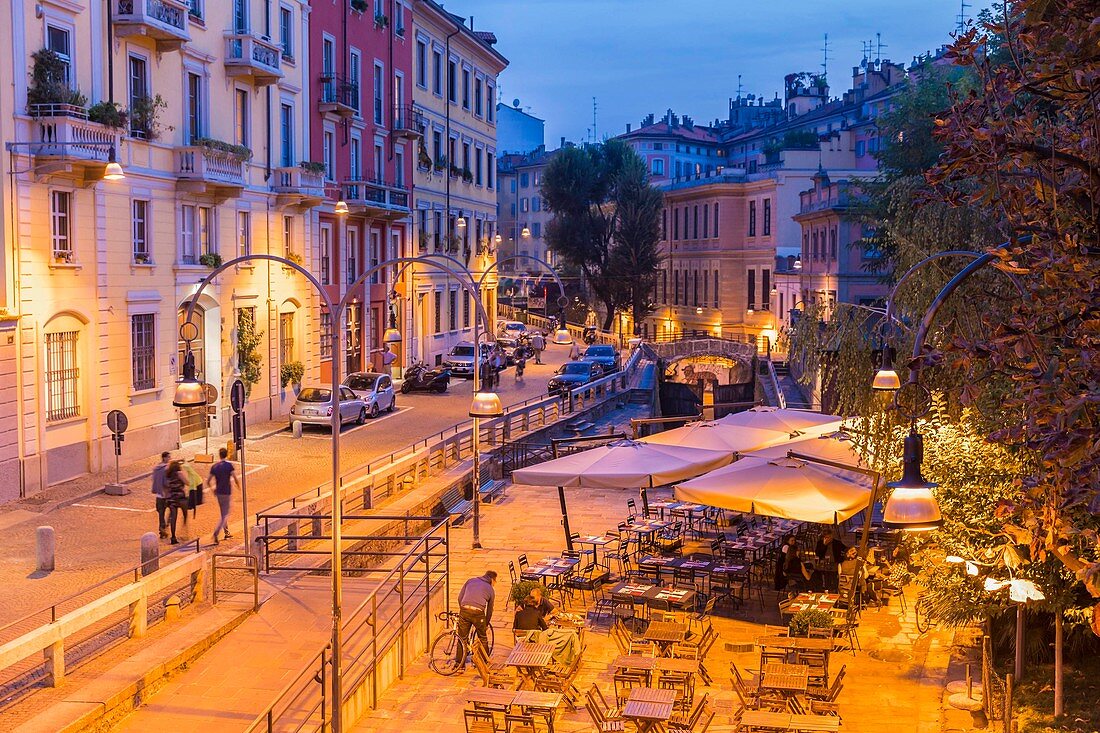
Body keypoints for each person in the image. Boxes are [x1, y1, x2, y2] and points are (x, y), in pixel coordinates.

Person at [456, 570, 496, 666]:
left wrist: (463, 610)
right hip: (478, 613)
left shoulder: (470, 581)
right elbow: (490, 610)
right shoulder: (490, 589)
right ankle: (484, 662)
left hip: (464, 610)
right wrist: (486, 623)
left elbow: (459, 598)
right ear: (492, 579)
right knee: (482, 638)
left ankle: (459, 664)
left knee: (462, 638)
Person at [206, 448, 240, 545]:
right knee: (225, 515)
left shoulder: (215, 466)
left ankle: (226, 532)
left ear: (219, 455)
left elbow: (208, 481)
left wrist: (213, 490)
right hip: (226, 492)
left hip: (218, 492)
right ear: (226, 454)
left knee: (223, 513)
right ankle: (216, 533)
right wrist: (239, 487)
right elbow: (235, 478)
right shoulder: (229, 466)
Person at [164, 460, 190, 544]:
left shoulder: (168, 475)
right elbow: (187, 482)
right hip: (180, 497)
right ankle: (184, 529)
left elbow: (167, 487)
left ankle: (173, 537)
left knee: (173, 518)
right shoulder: (179, 473)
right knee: (185, 514)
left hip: (172, 498)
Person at [151, 451, 171, 539]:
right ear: (164, 458)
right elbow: (167, 482)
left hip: (158, 495)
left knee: (161, 514)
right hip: (166, 494)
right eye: (168, 457)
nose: (170, 459)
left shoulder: (156, 469)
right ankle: (165, 526)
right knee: (172, 510)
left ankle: (162, 529)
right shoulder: (166, 469)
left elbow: (154, 480)